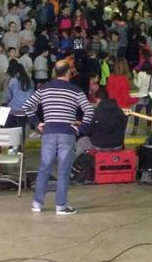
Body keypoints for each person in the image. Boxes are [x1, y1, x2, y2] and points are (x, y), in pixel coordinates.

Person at [23, 60, 94, 215]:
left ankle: (37, 203)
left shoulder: (44, 89)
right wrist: (80, 129)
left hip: (48, 132)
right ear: (68, 72)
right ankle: (60, 206)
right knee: (63, 170)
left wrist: (37, 123)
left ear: (55, 72)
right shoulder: (75, 90)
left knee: (44, 167)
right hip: (67, 134)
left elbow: (27, 106)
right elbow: (89, 111)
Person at [76, 88, 127, 155]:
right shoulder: (119, 110)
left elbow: (89, 131)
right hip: (117, 145)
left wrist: (81, 125)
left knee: (80, 142)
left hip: (99, 145)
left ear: (98, 99)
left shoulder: (97, 111)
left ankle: (81, 164)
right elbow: (123, 127)